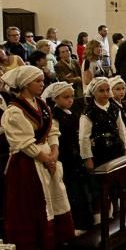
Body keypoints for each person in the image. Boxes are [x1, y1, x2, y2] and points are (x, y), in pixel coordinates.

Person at [0, 65, 75, 250]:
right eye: (38, 81)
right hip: (27, 164)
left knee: (53, 199)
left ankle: (52, 246)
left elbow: (52, 130)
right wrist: (45, 158)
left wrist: (54, 152)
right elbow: (22, 142)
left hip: (46, 158)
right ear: (25, 84)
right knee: (32, 206)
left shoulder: (41, 104)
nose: (42, 85)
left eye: (42, 81)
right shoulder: (14, 111)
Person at [79, 77, 126, 222]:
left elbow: (121, 129)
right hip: (100, 152)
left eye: (107, 90)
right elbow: (84, 137)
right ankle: (104, 214)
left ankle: (119, 208)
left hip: (115, 149)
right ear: (93, 93)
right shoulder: (89, 112)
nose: (105, 94)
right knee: (103, 185)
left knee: (118, 180)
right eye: (101, 91)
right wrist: (87, 157)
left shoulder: (113, 107)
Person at [43, 81, 92, 231]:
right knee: (71, 190)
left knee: (81, 189)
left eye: (71, 97)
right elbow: (55, 137)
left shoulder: (72, 113)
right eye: (66, 97)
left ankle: (85, 221)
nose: (70, 100)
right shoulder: (55, 116)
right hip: (65, 155)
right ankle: (75, 223)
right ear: (56, 99)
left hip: (75, 154)